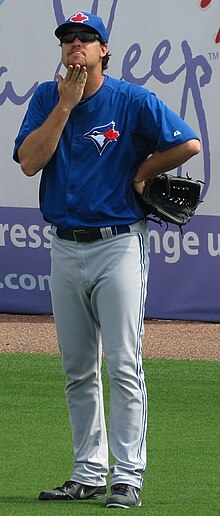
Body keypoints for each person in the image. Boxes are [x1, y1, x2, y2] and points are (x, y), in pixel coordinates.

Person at [13, 11, 200, 509]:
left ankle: (128, 476)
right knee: (77, 367)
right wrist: (66, 107)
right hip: (64, 244)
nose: (75, 44)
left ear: (103, 51)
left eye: (86, 38)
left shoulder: (131, 100)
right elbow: (30, 161)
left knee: (121, 361)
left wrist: (142, 172)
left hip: (118, 242)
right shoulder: (47, 99)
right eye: (68, 38)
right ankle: (88, 472)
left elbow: (188, 142)